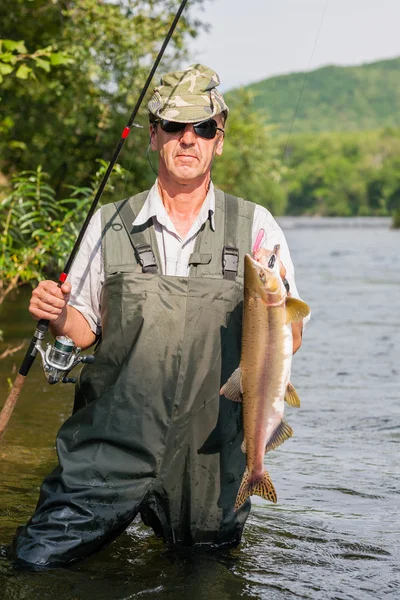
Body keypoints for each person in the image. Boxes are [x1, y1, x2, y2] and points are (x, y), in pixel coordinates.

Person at [11, 64, 306, 568]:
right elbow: (84, 330)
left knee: (206, 576)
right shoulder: (108, 224)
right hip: (112, 443)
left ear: (219, 138)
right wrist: (57, 315)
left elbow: (290, 338)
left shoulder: (258, 227)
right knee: (32, 564)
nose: (188, 140)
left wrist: (280, 323)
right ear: (153, 135)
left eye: (203, 128)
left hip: (209, 458)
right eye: (174, 127)